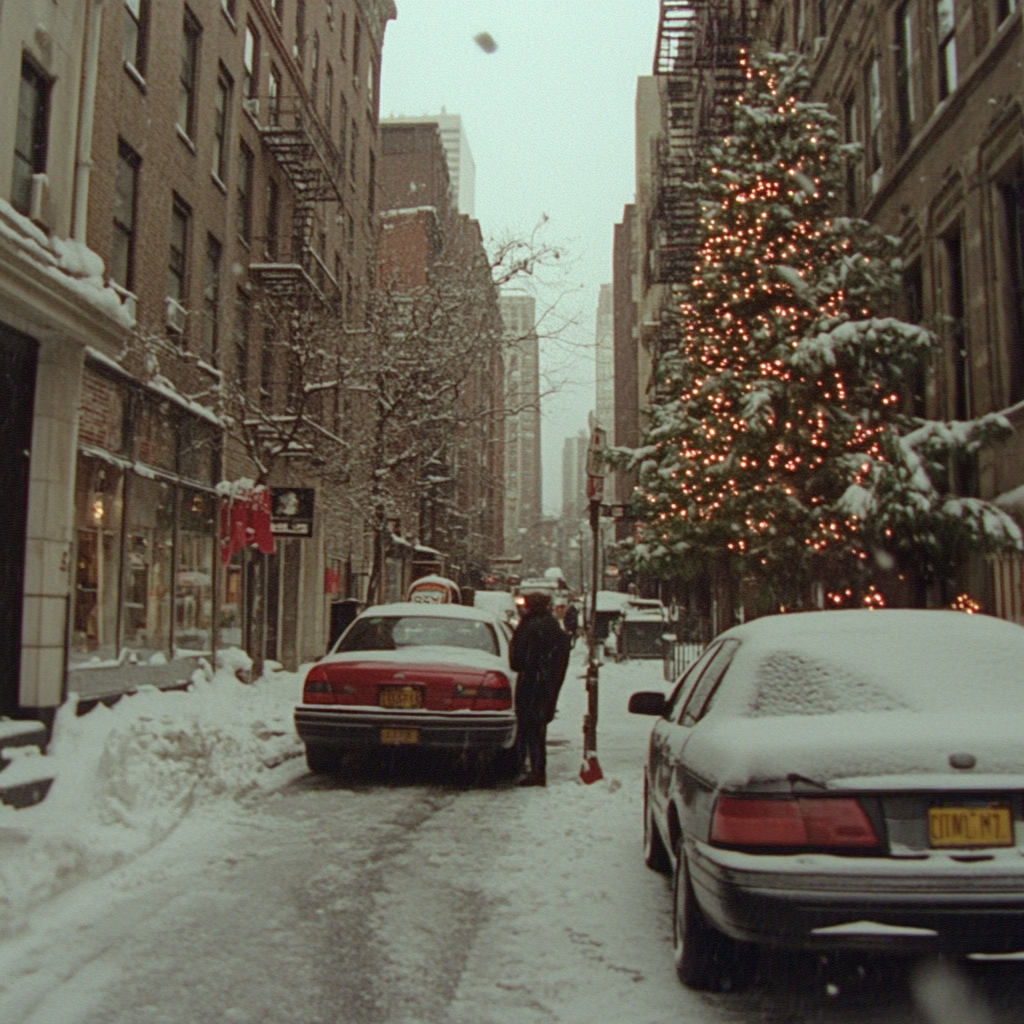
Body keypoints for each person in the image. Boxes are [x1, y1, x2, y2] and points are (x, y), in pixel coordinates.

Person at [509, 592, 571, 786]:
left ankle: (527, 768)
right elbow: (562, 658)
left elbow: (516, 662)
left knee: (526, 728)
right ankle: (537, 769)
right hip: (548, 685)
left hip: (530, 683)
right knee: (538, 728)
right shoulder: (554, 628)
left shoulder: (527, 627)